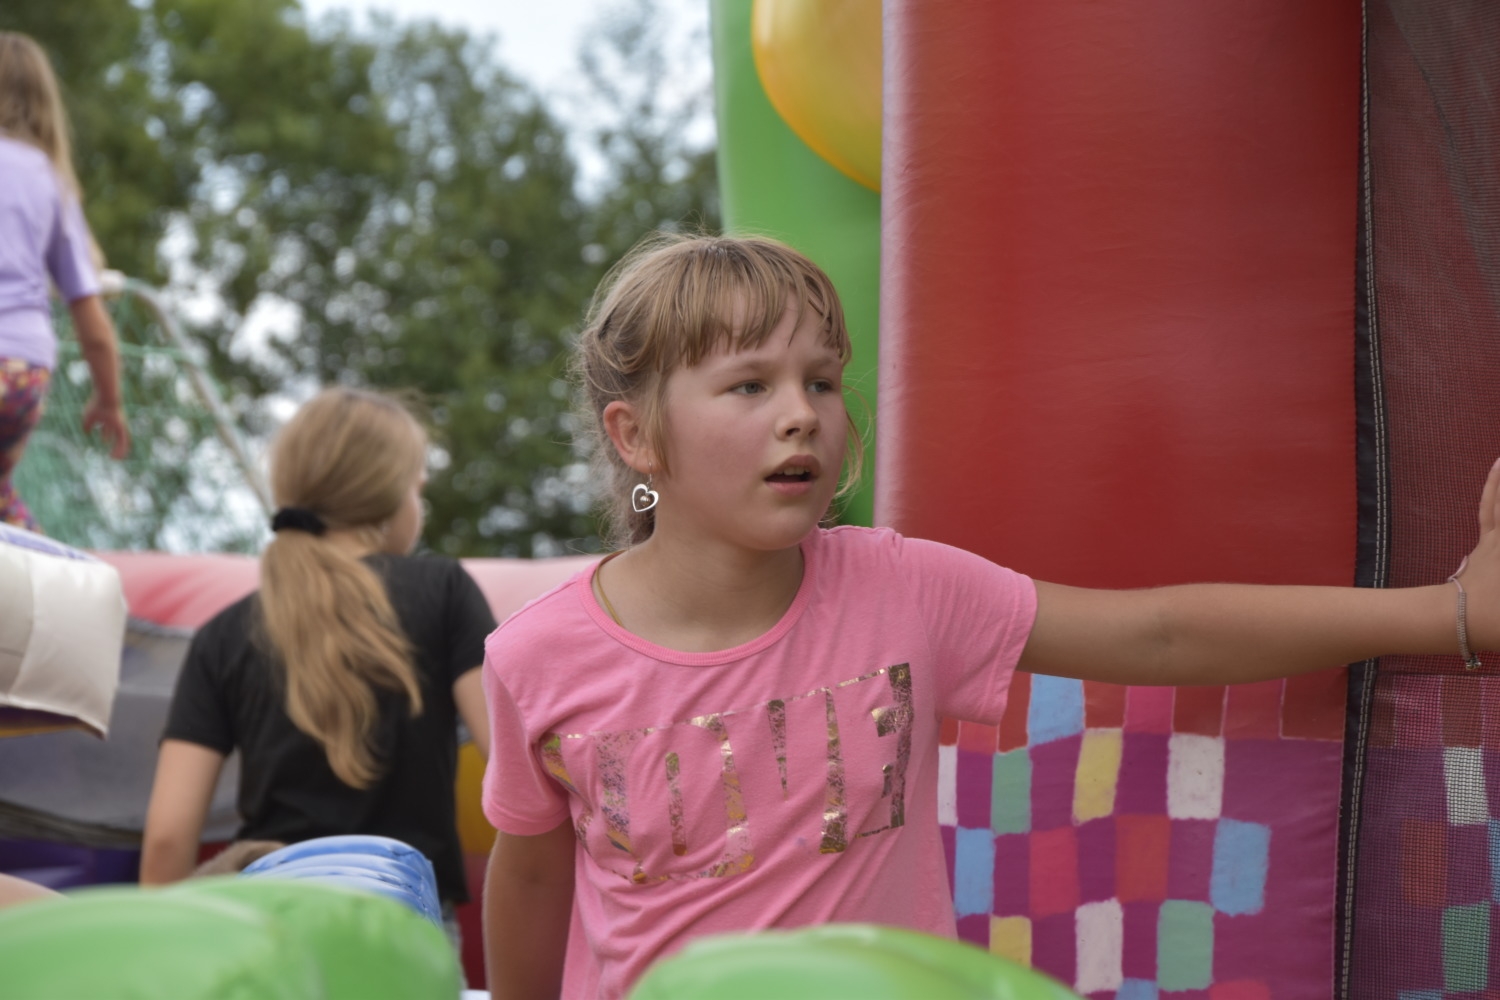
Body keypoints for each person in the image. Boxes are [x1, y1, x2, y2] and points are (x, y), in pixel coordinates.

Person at [479, 233, 1500, 1000]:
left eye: (822, 382)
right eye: (750, 384)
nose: (803, 413)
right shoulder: (539, 655)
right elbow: (529, 881)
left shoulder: (901, 588)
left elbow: (1159, 634)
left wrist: (1450, 614)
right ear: (637, 435)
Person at [141, 388, 495, 932]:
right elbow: (510, 761)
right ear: (389, 494)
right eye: (417, 488)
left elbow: (167, 838)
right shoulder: (444, 590)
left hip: (268, 926)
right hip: (400, 930)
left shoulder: (222, 635)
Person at [0, 32, 129, 531]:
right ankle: (50, 581)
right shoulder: (51, 180)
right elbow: (91, 322)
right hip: (24, 372)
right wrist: (109, 400)